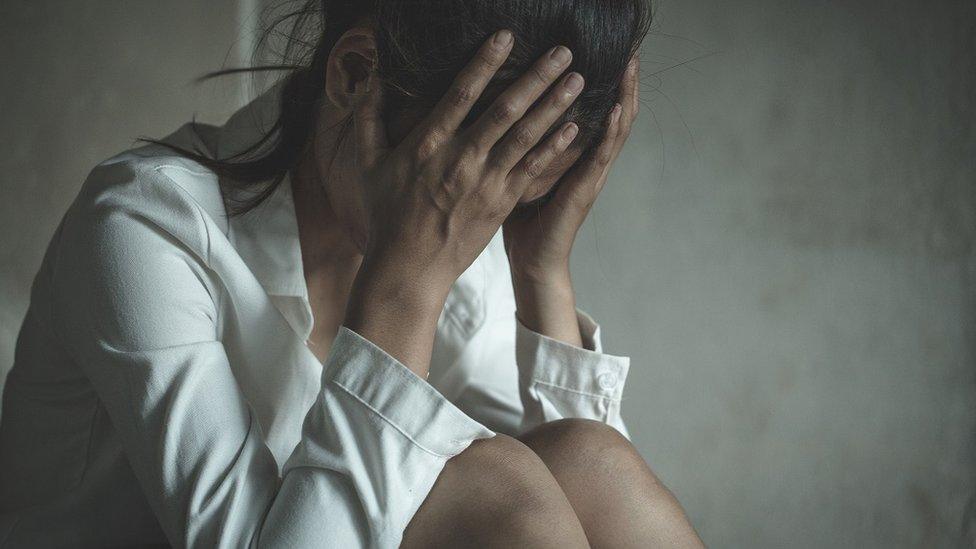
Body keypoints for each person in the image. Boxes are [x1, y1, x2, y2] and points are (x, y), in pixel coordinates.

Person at [0, 0, 704, 547]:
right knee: (496, 478)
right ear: (355, 75)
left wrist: (541, 271)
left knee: (585, 457)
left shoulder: (466, 231)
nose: (480, 222)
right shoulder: (141, 225)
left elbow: (584, 503)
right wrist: (403, 291)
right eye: (473, 178)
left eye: (514, 196)